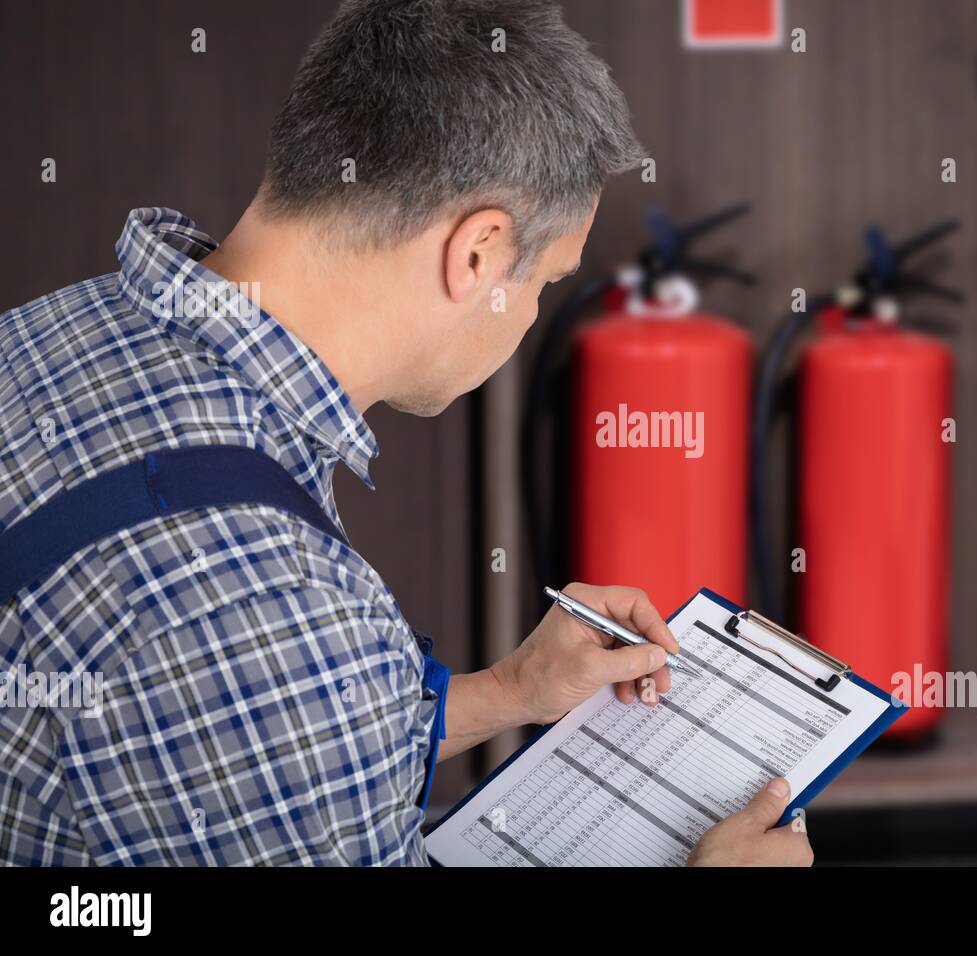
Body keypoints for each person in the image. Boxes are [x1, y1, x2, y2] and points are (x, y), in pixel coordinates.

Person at [0, 0, 812, 867]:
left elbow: (221, 750)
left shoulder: (46, 335)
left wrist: (509, 693)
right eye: (547, 280)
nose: (532, 314)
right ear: (479, 254)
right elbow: (268, 703)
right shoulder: (271, 614)